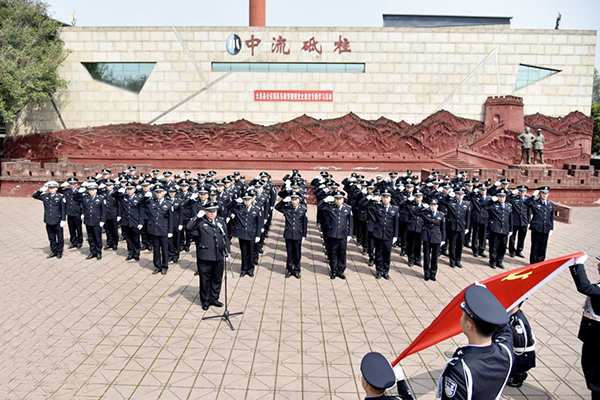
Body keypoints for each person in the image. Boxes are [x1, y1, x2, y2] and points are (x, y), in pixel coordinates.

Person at [394, 285, 513, 400]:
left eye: (462, 316)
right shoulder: (506, 351)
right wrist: (486, 302)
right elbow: (505, 329)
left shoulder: (460, 369)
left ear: (468, 326)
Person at [186, 201, 230, 311]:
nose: (212, 214)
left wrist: (228, 251)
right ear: (205, 211)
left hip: (218, 255)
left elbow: (225, 237)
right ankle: (205, 300)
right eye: (210, 212)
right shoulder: (200, 221)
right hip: (205, 255)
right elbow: (189, 227)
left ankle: (214, 298)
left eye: (214, 211)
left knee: (217, 278)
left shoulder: (220, 220)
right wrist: (197, 217)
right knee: (205, 279)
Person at [569, 253, 600, 400]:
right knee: (589, 368)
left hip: (598, 340)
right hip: (592, 337)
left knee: (596, 376)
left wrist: (577, 265)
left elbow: (585, 287)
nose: (598, 266)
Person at [226, 191, 264, 277]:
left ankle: (250, 269)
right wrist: (235, 201)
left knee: (251, 253)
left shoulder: (257, 208)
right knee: (244, 252)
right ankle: (244, 269)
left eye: (248, 200)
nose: (246, 201)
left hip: (252, 234)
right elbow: (227, 207)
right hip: (242, 234)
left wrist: (258, 235)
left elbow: (259, 223)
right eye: (245, 200)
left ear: (252, 200)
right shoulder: (239, 208)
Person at [319, 190, 354, 280]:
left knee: (342, 254)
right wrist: (324, 201)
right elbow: (320, 208)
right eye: (336, 199)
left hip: (343, 235)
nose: (338, 201)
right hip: (333, 234)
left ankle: (340, 271)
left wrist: (350, 234)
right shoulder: (330, 207)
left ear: (343, 199)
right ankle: (333, 270)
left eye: (340, 199)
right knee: (333, 253)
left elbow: (351, 222)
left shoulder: (348, 208)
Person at [367, 190, 399, 280]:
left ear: (390, 198)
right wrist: (372, 200)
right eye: (383, 197)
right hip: (378, 234)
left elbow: (396, 224)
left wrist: (395, 236)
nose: (385, 199)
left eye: (387, 197)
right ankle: (378, 271)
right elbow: (368, 208)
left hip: (389, 235)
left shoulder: (395, 209)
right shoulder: (377, 207)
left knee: (387, 254)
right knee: (378, 253)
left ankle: (385, 271)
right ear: (381, 198)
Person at [274, 193, 308, 279]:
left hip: (298, 234)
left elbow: (304, 223)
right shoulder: (287, 208)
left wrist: (304, 235)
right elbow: (277, 207)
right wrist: (283, 201)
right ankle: (289, 269)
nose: (294, 201)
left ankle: (296, 270)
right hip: (288, 234)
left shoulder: (303, 210)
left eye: (296, 199)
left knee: (297, 253)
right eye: (292, 199)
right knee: (289, 253)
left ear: (299, 200)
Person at [33, 181, 67, 259]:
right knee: (51, 238)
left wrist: (63, 219)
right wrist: (41, 190)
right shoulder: (45, 196)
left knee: (60, 238)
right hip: (48, 220)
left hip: (58, 220)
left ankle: (59, 252)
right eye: (50, 188)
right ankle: (53, 251)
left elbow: (63, 209)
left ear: (56, 188)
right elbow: (35, 196)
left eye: (53, 188)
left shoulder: (61, 197)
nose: (52, 190)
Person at [144, 186, 174, 275]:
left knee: (164, 249)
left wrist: (170, 231)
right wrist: (145, 197)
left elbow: (171, 219)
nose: (158, 194)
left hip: (164, 230)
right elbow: (140, 204)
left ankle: (165, 266)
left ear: (164, 192)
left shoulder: (168, 204)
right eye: (157, 192)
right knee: (156, 250)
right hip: (154, 230)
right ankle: (157, 266)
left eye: (160, 192)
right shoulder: (151, 202)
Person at [507, 301, 536, 388]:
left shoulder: (518, 320)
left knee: (510, 367)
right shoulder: (512, 316)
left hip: (522, 354)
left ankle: (519, 375)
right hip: (518, 351)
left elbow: (520, 341)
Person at [75, 182, 107, 260]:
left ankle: (98, 252)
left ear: (96, 190)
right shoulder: (85, 198)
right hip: (88, 221)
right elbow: (76, 199)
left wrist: (102, 220)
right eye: (90, 190)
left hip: (97, 221)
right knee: (91, 238)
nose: (91, 192)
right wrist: (79, 191)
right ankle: (92, 252)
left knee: (97, 238)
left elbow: (104, 211)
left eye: (93, 190)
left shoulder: (101, 198)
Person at [116, 182, 145, 261]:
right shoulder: (123, 197)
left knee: (136, 238)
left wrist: (141, 222)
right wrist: (119, 191)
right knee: (128, 238)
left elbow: (141, 211)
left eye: (130, 189)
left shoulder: (139, 198)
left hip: (135, 221)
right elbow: (114, 195)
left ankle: (136, 253)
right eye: (127, 189)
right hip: (126, 221)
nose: (129, 191)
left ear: (134, 189)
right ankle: (130, 253)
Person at [485, 190, 513, 269]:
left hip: (504, 229)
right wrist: (491, 200)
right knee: (493, 246)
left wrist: (511, 229)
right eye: (500, 197)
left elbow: (510, 218)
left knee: (503, 247)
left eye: (503, 197)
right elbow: (483, 205)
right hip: (495, 229)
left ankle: (499, 261)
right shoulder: (493, 205)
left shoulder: (509, 206)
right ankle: (493, 261)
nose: (501, 198)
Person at [526, 186, 554, 264]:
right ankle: (533, 262)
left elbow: (551, 217)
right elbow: (526, 203)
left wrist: (551, 228)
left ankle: (540, 261)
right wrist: (533, 196)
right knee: (535, 246)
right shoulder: (534, 202)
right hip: (536, 228)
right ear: (540, 194)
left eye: (546, 193)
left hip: (546, 228)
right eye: (543, 193)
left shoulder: (550, 204)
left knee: (543, 246)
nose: (544, 195)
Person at [444, 189, 471, 268]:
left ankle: (458, 260)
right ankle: (452, 260)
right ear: (456, 195)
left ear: (463, 196)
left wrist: (467, 227)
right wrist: (448, 195)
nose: (459, 196)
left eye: (461, 195)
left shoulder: (467, 204)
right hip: (452, 227)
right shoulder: (451, 202)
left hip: (462, 227)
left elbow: (468, 217)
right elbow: (442, 201)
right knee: (452, 245)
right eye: (458, 194)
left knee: (460, 245)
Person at [420, 198, 445, 281]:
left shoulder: (441, 215)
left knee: (434, 257)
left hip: (437, 237)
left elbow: (443, 228)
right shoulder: (425, 213)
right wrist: (422, 208)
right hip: (427, 237)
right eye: (431, 205)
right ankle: (426, 273)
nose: (433, 207)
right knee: (426, 256)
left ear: (437, 206)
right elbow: (416, 212)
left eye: (434, 205)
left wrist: (443, 239)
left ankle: (433, 273)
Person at [59, 177, 83, 249]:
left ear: (76, 184)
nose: (72, 185)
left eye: (73, 184)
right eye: (71, 184)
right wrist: (62, 185)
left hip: (77, 212)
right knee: (71, 228)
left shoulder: (80, 191)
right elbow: (58, 190)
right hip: (69, 212)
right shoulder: (67, 191)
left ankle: (79, 241)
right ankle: (73, 242)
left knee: (78, 228)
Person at [508, 185, 530, 258]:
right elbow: (507, 199)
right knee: (512, 237)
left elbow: (528, 212)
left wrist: (528, 222)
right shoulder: (514, 199)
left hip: (523, 222)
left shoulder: (527, 200)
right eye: (520, 191)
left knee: (522, 237)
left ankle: (519, 250)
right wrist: (512, 194)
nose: (522, 193)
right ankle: (512, 251)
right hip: (514, 221)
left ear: (525, 192)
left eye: (523, 191)